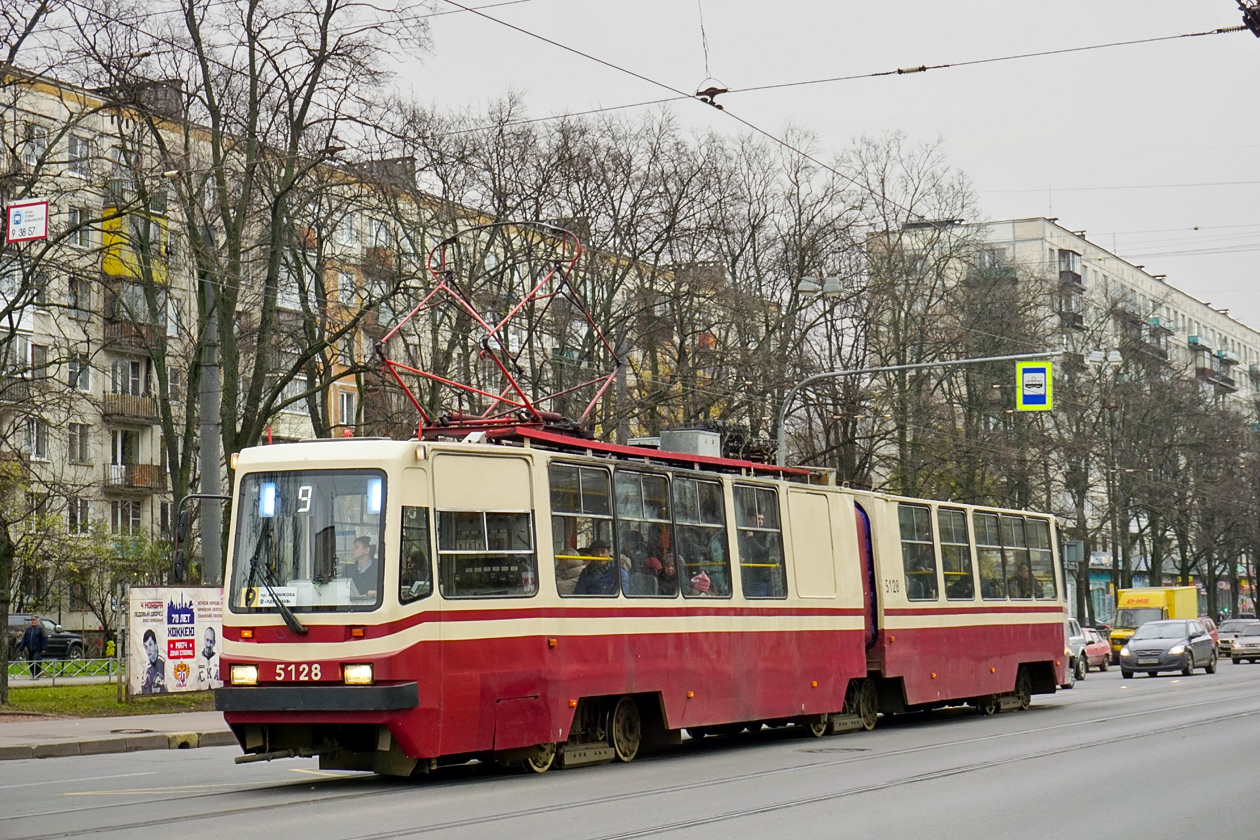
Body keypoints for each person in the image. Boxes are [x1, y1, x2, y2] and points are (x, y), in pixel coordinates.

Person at [140, 628, 167, 694]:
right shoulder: (146, 670)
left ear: (156, 645)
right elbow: (145, 692)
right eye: (146, 646)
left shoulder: (164, 663)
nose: (148, 650)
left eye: (150, 645)